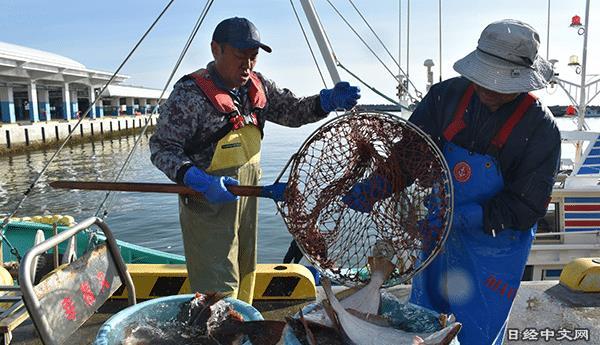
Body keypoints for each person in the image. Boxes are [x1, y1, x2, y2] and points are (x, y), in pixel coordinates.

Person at [343, 19, 560, 344]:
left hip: (493, 252)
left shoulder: (541, 129)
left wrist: (467, 217)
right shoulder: (445, 97)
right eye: (483, 77)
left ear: (523, 81)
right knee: (423, 325)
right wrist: (378, 186)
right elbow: (409, 156)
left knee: (476, 334)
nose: (487, 88)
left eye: (499, 83)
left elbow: (527, 206)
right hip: (438, 238)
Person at [149, 17, 360, 304]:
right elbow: (162, 147)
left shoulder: (257, 86)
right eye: (240, 57)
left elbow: (294, 111)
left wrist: (325, 101)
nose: (247, 66)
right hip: (206, 202)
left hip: (247, 197)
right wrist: (192, 176)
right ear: (216, 50)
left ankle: (242, 325)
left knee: (246, 271)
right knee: (217, 287)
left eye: (253, 58)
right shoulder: (190, 94)